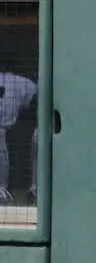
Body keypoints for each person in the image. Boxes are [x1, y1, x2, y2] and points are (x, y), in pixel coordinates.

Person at [0, 70, 37, 205]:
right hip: (7, 123)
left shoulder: (21, 84)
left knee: (38, 137)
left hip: (27, 112)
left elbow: (36, 101)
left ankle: (35, 190)